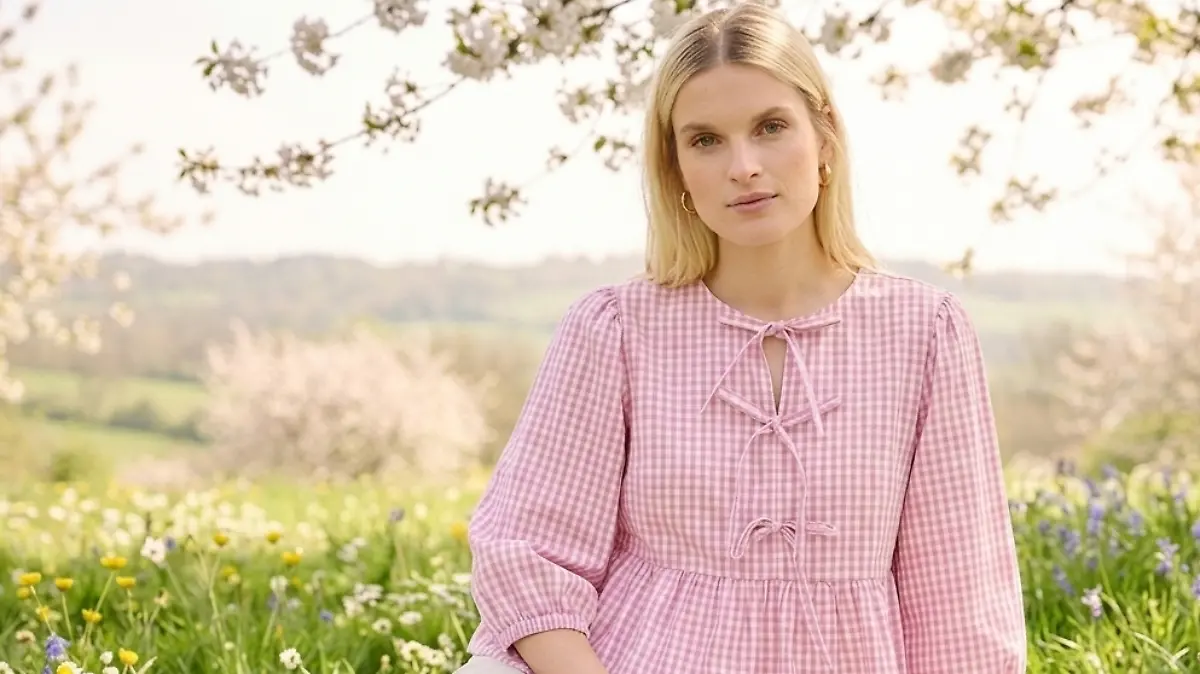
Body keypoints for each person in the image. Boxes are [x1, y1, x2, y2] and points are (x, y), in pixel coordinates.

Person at [455, 2, 1028, 672]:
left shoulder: (926, 334)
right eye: (705, 140)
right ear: (677, 174)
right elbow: (527, 552)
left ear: (825, 142)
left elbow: (960, 605)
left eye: (770, 127)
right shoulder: (614, 330)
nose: (744, 165)